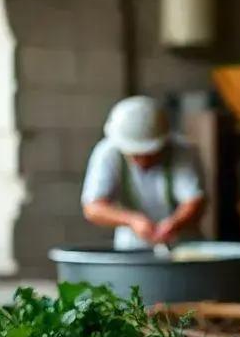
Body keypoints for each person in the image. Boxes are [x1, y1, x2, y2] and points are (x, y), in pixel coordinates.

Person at [81, 96, 204, 250]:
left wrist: (175, 223)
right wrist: (132, 220)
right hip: (132, 246)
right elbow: (93, 208)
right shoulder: (107, 153)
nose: (143, 161)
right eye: (136, 154)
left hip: (184, 244)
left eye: (150, 153)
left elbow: (194, 201)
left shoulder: (182, 151)